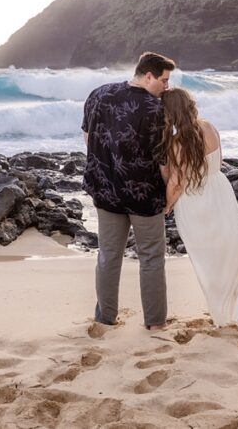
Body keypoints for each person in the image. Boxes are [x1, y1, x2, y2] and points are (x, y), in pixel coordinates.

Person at [82, 51, 176, 331]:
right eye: (164, 80)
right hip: (144, 194)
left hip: (105, 188)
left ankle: (105, 318)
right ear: (148, 76)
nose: (167, 87)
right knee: (151, 257)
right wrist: (169, 196)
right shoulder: (156, 110)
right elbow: (163, 162)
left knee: (108, 255)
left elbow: (88, 137)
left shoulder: (98, 94)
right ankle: (155, 323)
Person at [160, 87, 238, 327]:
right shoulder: (210, 127)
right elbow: (216, 161)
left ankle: (224, 313)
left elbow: (177, 181)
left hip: (195, 199)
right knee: (226, 252)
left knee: (207, 257)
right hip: (220, 192)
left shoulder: (177, 143)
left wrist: (167, 206)